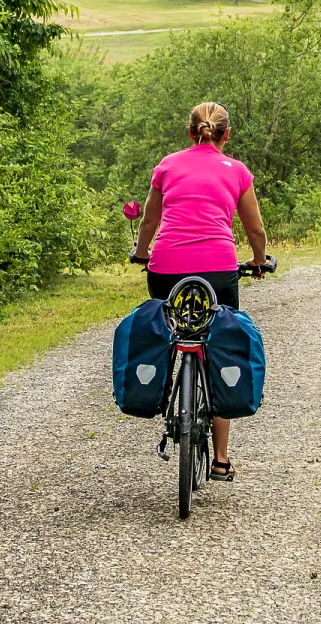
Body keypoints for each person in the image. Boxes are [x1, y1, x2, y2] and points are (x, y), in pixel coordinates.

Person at [131, 102, 267, 482]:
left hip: (166, 269)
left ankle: (166, 388)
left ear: (191, 133)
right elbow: (255, 230)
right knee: (219, 345)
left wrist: (142, 254)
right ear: (226, 135)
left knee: (168, 331)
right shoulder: (237, 171)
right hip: (218, 270)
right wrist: (258, 260)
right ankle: (221, 458)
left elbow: (149, 221)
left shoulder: (168, 165)